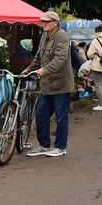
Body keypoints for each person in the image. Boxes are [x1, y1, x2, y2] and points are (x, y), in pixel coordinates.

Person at [25, 11, 75, 157]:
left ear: (55, 23)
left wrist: (44, 70)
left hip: (61, 84)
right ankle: (44, 145)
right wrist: (29, 69)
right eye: (42, 21)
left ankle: (60, 147)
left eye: (47, 21)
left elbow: (60, 59)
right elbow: (39, 57)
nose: (44, 24)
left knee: (61, 117)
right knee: (41, 115)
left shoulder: (62, 36)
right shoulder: (44, 36)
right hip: (47, 85)